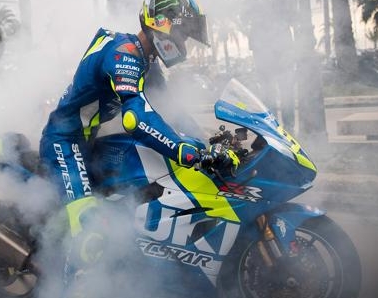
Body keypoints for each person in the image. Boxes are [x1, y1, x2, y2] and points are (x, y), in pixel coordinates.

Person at [39, 0, 238, 277]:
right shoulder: (124, 54)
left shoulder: (146, 61)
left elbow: (170, 111)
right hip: (65, 141)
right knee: (90, 234)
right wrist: (183, 151)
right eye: (183, 35)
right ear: (162, 23)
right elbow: (136, 118)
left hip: (90, 141)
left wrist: (207, 147)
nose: (184, 44)